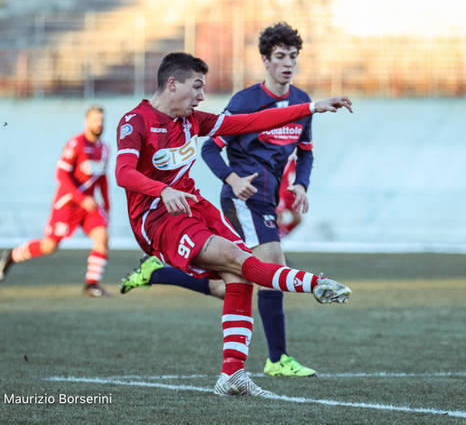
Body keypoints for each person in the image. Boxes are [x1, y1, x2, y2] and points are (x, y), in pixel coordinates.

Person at [114, 51, 352, 397]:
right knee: (239, 260)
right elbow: (123, 174)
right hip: (158, 219)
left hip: (195, 208)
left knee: (238, 276)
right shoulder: (135, 122)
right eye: (196, 87)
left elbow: (251, 122)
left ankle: (233, 374)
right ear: (172, 84)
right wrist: (162, 190)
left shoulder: (192, 121)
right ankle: (313, 284)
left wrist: (311, 108)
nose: (201, 96)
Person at [0, 105, 111, 298]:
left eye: (101, 120)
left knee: (102, 237)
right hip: (68, 204)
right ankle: (11, 256)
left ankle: (91, 284)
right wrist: (80, 198)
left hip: (88, 206)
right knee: (49, 246)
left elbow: (102, 179)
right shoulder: (76, 144)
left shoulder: (105, 149)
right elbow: (61, 174)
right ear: (86, 122)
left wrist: (107, 207)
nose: (99, 124)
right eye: (95, 120)